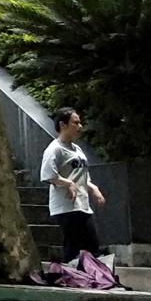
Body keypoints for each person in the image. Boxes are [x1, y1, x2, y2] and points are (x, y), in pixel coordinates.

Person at [41, 107, 107, 263]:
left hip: (82, 204)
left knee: (93, 247)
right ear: (63, 125)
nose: (80, 126)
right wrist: (68, 183)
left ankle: (92, 275)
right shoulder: (55, 149)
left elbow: (82, 175)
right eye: (75, 123)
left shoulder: (77, 149)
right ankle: (70, 274)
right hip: (66, 207)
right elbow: (47, 175)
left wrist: (93, 188)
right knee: (73, 248)